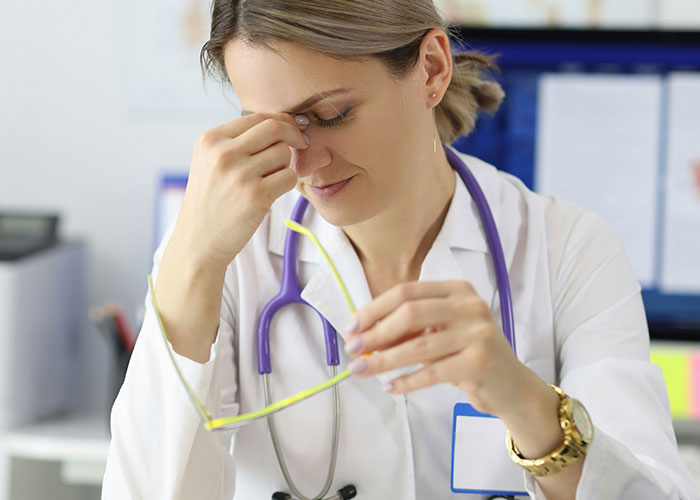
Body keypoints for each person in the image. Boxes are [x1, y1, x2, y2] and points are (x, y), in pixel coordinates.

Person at [102, 1, 699, 499]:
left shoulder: (568, 250)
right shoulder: (223, 259)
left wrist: (522, 398)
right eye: (268, 128)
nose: (301, 164)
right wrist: (190, 259)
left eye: (330, 115)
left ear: (432, 69)